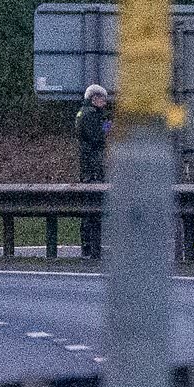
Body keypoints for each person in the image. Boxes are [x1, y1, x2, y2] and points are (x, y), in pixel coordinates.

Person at [75, 84, 109, 257]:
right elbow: (97, 138)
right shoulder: (91, 115)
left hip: (86, 166)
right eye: (102, 99)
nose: (105, 102)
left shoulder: (82, 113)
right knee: (92, 209)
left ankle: (88, 246)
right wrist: (108, 126)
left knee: (88, 209)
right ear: (94, 99)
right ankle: (90, 247)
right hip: (92, 168)